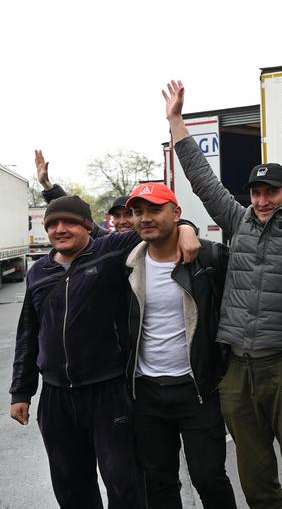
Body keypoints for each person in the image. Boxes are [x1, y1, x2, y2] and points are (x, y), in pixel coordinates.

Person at [162, 59, 282, 508]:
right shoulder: (237, 222)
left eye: (272, 191)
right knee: (253, 476)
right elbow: (201, 178)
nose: (262, 199)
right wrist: (175, 121)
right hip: (236, 369)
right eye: (255, 192)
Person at [9, 195, 199, 508]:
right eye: (52, 224)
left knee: (124, 483)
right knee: (71, 486)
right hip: (56, 397)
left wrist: (188, 228)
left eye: (69, 221)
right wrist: (21, 393)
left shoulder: (110, 252)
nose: (60, 229)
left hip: (108, 391)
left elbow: (157, 227)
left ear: (87, 227)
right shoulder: (39, 272)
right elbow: (28, 335)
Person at [123, 182, 236, 508]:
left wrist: (189, 231)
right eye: (138, 211)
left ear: (176, 212)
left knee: (209, 478)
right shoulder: (127, 264)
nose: (145, 218)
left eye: (155, 210)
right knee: (159, 483)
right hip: (146, 393)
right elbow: (81, 235)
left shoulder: (208, 258)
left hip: (197, 389)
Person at [35, 149, 133, 234]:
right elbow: (71, 210)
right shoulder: (109, 243)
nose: (122, 221)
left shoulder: (147, 241)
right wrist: (47, 185)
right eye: (117, 216)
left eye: (128, 214)